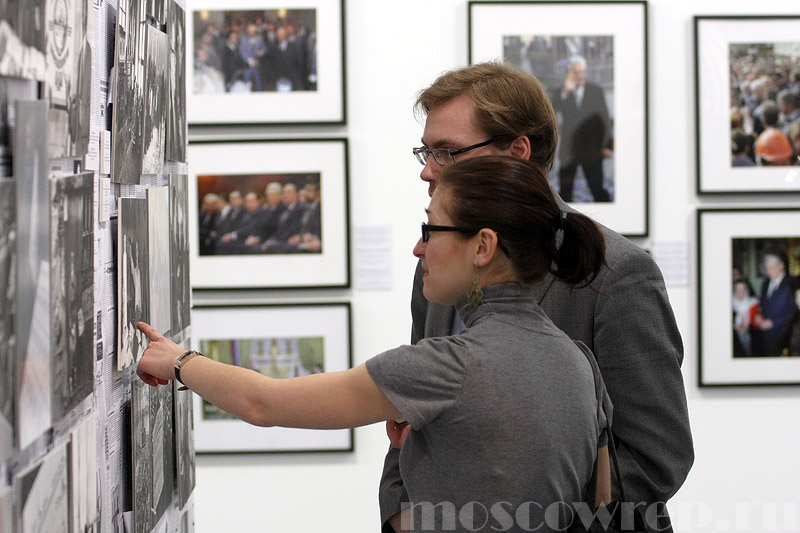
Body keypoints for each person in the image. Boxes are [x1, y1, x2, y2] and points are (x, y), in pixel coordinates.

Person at [137, 156, 613, 531]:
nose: (418, 247)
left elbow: (264, 403)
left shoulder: (450, 366)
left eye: (431, 229)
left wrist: (179, 360)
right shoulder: (579, 363)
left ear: (483, 247)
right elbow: (598, 506)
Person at [391, 61, 692, 533]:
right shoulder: (435, 262)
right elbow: (409, 417)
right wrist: (399, 517)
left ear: (517, 153)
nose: (428, 171)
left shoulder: (618, 274)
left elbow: (657, 457)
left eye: (447, 152)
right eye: (425, 153)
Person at [551, 55, 612, 202]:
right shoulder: (561, 92)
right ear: (569, 73)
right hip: (569, 149)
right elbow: (551, 113)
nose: (580, 76)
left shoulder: (595, 90)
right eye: (576, 72)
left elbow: (605, 118)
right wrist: (565, 92)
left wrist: (606, 145)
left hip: (592, 148)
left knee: (597, 188)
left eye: (582, 72)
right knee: (565, 193)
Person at [753, 250, 796, 356]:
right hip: (764, 335)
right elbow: (762, 306)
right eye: (766, 268)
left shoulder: (792, 283)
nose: (768, 272)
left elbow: (793, 311)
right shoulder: (765, 283)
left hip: (783, 336)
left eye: (771, 268)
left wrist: (773, 322)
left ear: (781, 266)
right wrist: (759, 316)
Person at [732, 277, 759, 357]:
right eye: (738, 289)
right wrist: (734, 327)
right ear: (734, 291)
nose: (740, 292)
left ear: (747, 290)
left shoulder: (754, 303)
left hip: (752, 340)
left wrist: (748, 328)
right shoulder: (729, 304)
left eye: (743, 289)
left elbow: (758, 325)